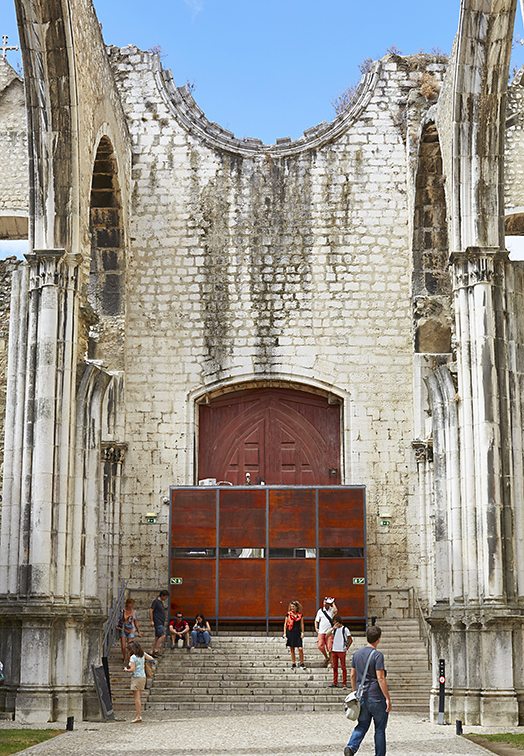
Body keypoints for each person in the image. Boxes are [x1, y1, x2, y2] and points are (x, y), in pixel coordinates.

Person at [344, 625, 391, 756]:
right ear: (379, 639)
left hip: (362, 696)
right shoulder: (378, 655)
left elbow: (352, 675)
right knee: (380, 729)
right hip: (376, 696)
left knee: (362, 724)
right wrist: (387, 698)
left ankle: (351, 747)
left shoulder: (357, 654)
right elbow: (381, 678)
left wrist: (355, 692)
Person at [124, 640, 154, 723]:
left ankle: (138, 716)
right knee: (139, 697)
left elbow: (132, 670)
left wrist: (126, 670)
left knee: (137, 698)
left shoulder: (133, 657)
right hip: (142, 677)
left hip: (136, 677)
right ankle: (138, 715)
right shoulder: (143, 654)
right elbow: (151, 658)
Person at [326, 613, 352, 687]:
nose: (333, 623)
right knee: (335, 667)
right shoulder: (335, 629)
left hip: (341, 650)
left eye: (334, 621)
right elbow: (327, 635)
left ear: (337, 621)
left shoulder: (345, 629)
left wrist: (346, 648)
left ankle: (344, 683)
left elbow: (350, 639)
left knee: (343, 667)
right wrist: (333, 628)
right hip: (334, 650)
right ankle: (335, 682)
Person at [117, 597, 142, 664]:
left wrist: (139, 632)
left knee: (129, 646)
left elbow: (136, 622)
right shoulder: (123, 611)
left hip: (131, 630)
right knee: (123, 646)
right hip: (123, 630)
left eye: (133, 604)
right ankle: (124, 657)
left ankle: (129, 660)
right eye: (131, 604)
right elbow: (120, 620)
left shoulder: (134, 612)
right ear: (127, 604)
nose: (132, 605)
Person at [315, 596, 338, 667]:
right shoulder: (320, 611)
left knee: (330, 647)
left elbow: (336, 611)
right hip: (321, 631)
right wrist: (316, 628)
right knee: (320, 646)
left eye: (326, 603)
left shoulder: (331, 610)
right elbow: (316, 620)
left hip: (330, 631)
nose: (325, 604)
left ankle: (330, 662)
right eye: (324, 602)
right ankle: (326, 657)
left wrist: (333, 603)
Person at [283, 600, 305, 668]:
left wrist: (303, 632)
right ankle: (293, 663)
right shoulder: (288, 614)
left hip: (297, 632)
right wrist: (284, 634)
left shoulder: (300, 615)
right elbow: (285, 624)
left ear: (296, 607)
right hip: (290, 632)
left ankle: (302, 663)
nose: (292, 608)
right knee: (292, 648)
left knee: (300, 648)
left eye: (293, 607)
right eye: (291, 607)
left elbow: (302, 624)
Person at [148, 590, 168, 657]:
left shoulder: (161, 603)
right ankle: (156, 650)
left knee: (157, 637)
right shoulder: (156, 602)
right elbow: (151, 611)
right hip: (157, 621)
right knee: (163, 635)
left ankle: (151, 651)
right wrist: (152, 621)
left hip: (160, 621)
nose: (166, 598)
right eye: (165, 597)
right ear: (162, 596)